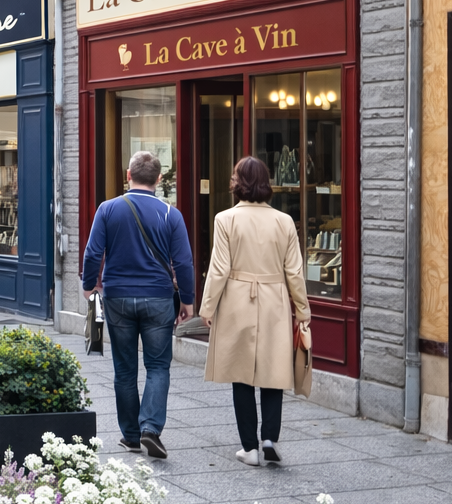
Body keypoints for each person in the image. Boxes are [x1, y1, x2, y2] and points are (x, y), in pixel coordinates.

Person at [80, 150, 195, 459]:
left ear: (127, 175)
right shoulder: (171, 214)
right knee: (158, 366)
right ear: (159, 179)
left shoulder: (107, 209)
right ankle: (151, 430)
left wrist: (89, 285)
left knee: (125, 369)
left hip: (117, 298)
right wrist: (187, 301)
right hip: (158, 298)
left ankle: (131, 436)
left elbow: (92, 253)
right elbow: (184, 263)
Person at [199, 156, 311, 466]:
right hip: (274, 299)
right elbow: (295, 272)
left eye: (234, 176)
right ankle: (269, 439)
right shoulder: (284, 221)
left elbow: (219, 269)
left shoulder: (225, 219)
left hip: (237, 299)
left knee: (241, 375)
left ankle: (249, 448)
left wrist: (207, 307)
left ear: (238, 183)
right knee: (274, 373)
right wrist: (302, 309)